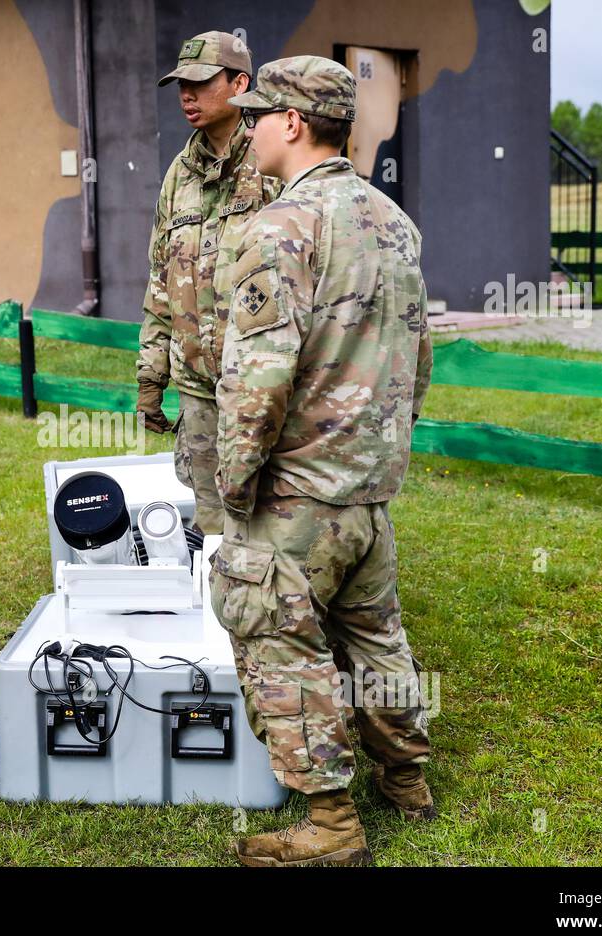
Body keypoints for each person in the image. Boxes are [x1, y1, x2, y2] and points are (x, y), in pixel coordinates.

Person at [210, 55, 435, 867]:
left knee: (281, 648)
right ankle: (406, 780)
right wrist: (382, 449)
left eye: (260, 115)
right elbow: (418, 357)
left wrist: (234, 486)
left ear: (293, 124)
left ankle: (331, 827)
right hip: (367, 492)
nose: (252, 128)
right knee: (375, 638)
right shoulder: (392, 222)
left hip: (297, 495)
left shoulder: (280, 227)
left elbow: (256, 380)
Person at [137, 31, 280, 535]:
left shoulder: (273, 164)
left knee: (270, 509)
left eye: (200, 82)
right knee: (213, 518)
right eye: (181, 85)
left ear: (240, 84)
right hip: (196, 385)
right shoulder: (180, 173)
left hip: (263, 385)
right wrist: (151, 377)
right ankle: (220, 611)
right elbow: (161, 278)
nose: (186, 96)